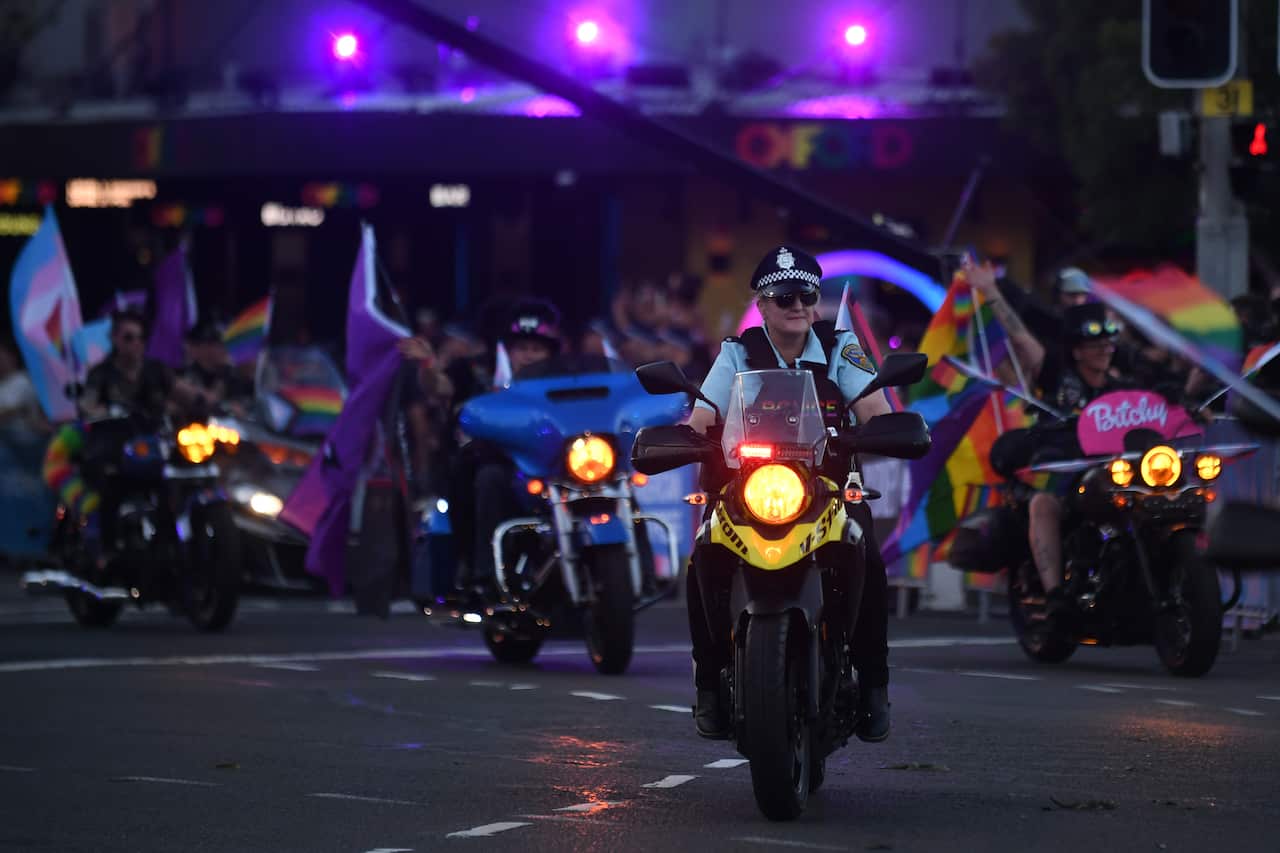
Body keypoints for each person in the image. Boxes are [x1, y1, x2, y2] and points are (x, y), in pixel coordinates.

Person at [684, 245, 895, 743]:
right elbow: (702, 419)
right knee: (702, 559)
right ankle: (709, 679)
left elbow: (876, 412)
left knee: (869, 554)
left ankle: (873, 682)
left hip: (831, 489)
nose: (796, 305)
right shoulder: (736, 353)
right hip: (747, 490)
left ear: (817, 301)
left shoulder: (842, 348)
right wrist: (688, 439)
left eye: (806, 295)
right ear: (762, 303)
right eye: (783, 297)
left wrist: (883, 430)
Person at [405, 300, 562, 598]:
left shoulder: (566, 381)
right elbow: (439, 387)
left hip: (557, 470)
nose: (529, 356)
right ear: (507, 350)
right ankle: (485, 574)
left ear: (551, 354)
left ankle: (632, 571)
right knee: (489, 478)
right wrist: (427, 364)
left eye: (537, 349)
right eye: (522, 348)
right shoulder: (475, 371)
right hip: (501, 469)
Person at [178, 318, 252, 414]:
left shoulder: (230, 372)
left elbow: (241, 401)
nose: (224, 349)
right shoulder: (190, 373)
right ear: (205, 347)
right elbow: (206, 399)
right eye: (219, 345)